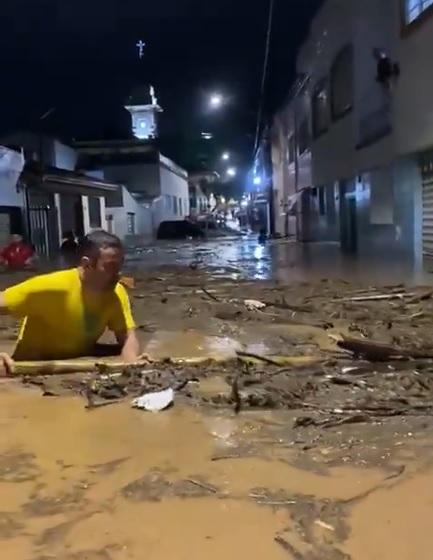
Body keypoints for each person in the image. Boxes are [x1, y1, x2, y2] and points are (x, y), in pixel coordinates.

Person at [0, 230, 140, 375]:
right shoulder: (53, 287)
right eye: (111, 267)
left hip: (75, 365)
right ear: (87, 264)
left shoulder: (116, 293)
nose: (118, 274)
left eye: (119, 267)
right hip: (28, 369)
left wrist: (132, 364)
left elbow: (128, 336)